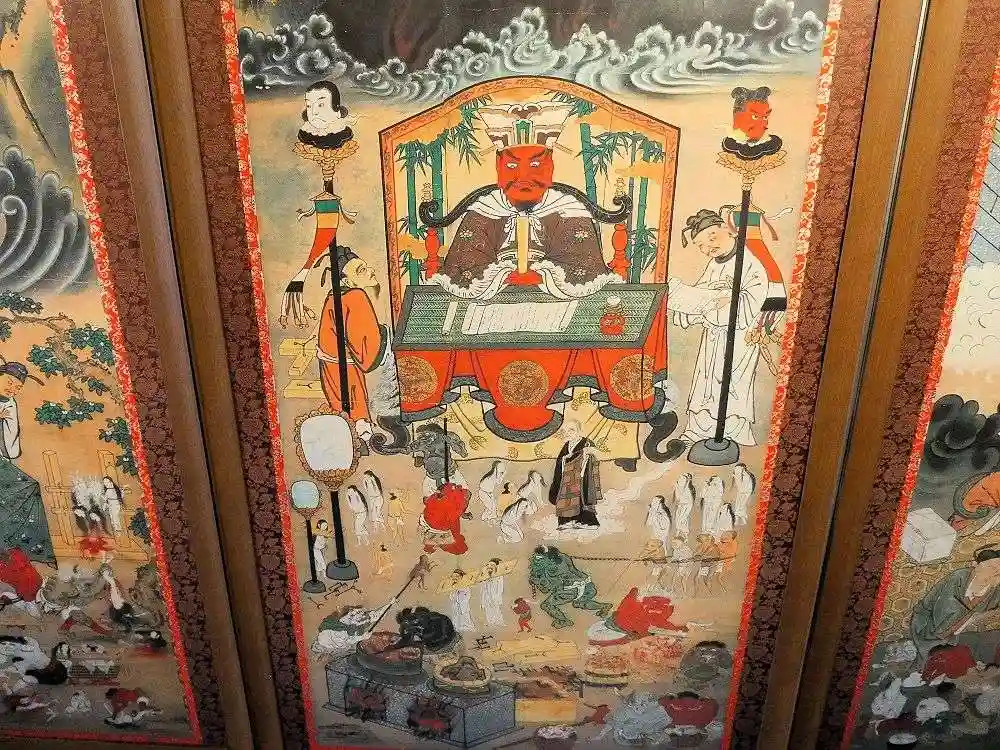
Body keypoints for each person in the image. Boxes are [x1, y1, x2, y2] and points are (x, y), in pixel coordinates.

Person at [433, 101, 620, 300]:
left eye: (536, 164)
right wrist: (504, 277)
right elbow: (462, 272)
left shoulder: (570, 211)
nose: (523, 176)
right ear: (498, 167)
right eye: (512, 165)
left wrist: (542, 278)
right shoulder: (484, 211)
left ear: (551, 167)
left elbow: (584, 269)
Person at [668, 207, 770, 446]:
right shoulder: (714, 264)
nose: (707, 248)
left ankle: (732, 434)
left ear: (728, 229)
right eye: (700, 246)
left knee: (731, 384)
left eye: (711, 238)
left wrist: (723, 299)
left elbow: (752, 302)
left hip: (739, 338)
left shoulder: (750, 262)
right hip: (713, 337)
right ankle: (698, 430)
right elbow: (699, 298)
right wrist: (688, 305)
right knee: (705, 383)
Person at [317, 246, 389, 439]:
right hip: (345, 369)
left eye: (366, 266)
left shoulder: (334, 297)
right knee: (356, 415)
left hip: (330, 366)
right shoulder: (355, 297)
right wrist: (385, 336)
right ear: (347, 281)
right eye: (361, 270)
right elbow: (364, 346)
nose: (370, 271)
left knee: (343, 413)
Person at [910, 545, 1000, 660]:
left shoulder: (995, 591)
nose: (994, 573)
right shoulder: (959, 577)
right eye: (991, 567)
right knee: (926, 656)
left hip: (954, 633)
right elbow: (937, 608)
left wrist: (976, 618)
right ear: (975, 565)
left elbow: (991, 610)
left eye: (998, 571)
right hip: (929, 624)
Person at [548, 419, 602, 529]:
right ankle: (566, 521)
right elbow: (561, 460)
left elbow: (596, 455)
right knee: (566, 499)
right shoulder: (567, 445)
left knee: (581, 499)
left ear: (579, 431)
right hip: (567, 478)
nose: (568, 433)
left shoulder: (586, 443)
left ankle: (588, 522)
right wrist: (565, 459)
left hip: (581, 477)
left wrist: (588, 453)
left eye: (571, 430)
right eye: (566, 431)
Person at [0, 362, 39, 460]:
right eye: (9, 383)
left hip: (6, 451)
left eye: (18, 387)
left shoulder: (10, 403)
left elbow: (11, 430)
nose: (12, 389)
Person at [479, 558, 505, 628]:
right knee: (488, 609)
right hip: (487, 596)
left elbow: (500, 587)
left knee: (496, 609)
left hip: (494, 595)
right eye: (488, 565)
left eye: (492, 565)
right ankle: (490, 622)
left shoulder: (499, 576)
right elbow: (483, 588)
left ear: (496, 567)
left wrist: (496, 596)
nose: (489, 566)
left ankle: (498, 622)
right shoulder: (485, 576)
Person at [361, 471, 386, 535]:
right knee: (374, 513)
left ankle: (381, 526)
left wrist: (372, 479)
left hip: (378, 497)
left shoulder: (374, 479)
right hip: (372, 499)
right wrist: (365, 481)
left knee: (377, 513)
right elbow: (366, 490)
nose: (365, 478)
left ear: (370, 475)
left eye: (366, 476)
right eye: (364, 477)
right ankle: (378, 527)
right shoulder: (366, 481)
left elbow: (378, 489)